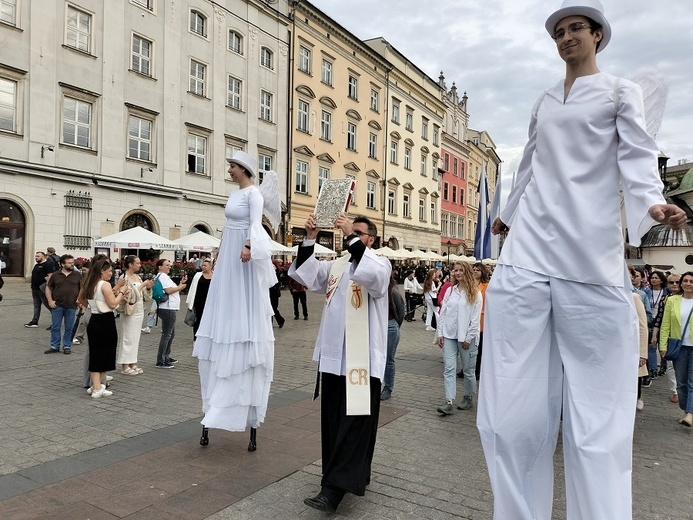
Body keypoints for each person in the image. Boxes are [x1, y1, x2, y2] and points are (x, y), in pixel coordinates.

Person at [476, 2, 688, 519]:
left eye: (576, 29)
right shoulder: (546, 99)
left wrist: (651, 204)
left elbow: (637, 156)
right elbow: (529, 163)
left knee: (598, 417)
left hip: (589, 257)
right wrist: (505, 215)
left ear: (598, 36)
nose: (566, 37)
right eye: (559, 32)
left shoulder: (619, 91)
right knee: (508, 412)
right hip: (528, 254)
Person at [289, 214, 390, 513]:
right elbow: (307, 274)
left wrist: (349, 236)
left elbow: (374, 280)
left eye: (359, 233)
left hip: (362, 361)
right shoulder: (337, 265)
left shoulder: (380, 262)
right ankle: (356, 473)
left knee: (355, 425)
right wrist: (310, 237)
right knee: (336, 423)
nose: (352, 237)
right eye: (351, 232)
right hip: (335, 360)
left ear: (370, 239)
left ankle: (332, 491)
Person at [193, 151, 276, 452]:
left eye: (232, 166)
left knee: (243, 298)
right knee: (224, 299)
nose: (228, 170)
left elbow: (257, 223)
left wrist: (249, 245)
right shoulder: (236, 192)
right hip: (228, 248)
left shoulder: (253, 194)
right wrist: (222, 252)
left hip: (241, 249)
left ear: (243, 169)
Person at [78, 259, 129, 399]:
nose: (111, 274)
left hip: (94, 318)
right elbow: (112, 304)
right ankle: (97, 387)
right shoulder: (104, 284)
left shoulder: (90, 283)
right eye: (109, 271)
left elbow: (81, 300)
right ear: (102, 271)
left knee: (97, 353)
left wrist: (91, 306)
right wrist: (121, 293)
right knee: (104, 353)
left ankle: (97, 385)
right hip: (105, 320)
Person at [436, 262, 482, 414]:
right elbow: (443, 314)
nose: (457, 273)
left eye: (461, 270)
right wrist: (440, 333)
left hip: (466, 337)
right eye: (455, 270)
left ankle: (468, 396)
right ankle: (449, 401)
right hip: (449, 335)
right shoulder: (450, 291)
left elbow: (475, 319)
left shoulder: (475, 292)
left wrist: (468, 338)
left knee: (468, 370)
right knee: (449, 368)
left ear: (466, 272)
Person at [659, 271, 693, 427]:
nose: (688, 284)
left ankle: (690, 414)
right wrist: (663, 345)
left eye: (691, 281)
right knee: (681, 383)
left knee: (692, 382)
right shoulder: (672, 300)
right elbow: (665, 325)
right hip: (678, 347)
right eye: (685, 281)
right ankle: (686, 410)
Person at [117, 256, 154, 375]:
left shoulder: (137, 277)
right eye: (137, 263)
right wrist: (143, 285)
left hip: (139, 309)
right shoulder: (124, 277)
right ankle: (125, 365)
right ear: (130, 264)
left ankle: (132, 362)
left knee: (135, 337)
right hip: (129, 309)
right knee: (127, 337)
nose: (140, 265)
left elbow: (144, 295)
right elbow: (126, 295)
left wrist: (148, 288)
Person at [653, 274, 682, 403]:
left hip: (686, 335)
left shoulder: (688, 298)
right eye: (671, 282)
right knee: (670, 365)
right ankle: (675, 391)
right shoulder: (665, 298)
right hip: (670, 337)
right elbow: (660, 319)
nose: (674, 285)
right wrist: (655, 335)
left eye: (677, 282)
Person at [45, 254, 81, 354]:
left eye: (73, 263)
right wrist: (50, 301)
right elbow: (48, 287)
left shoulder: (77, 275)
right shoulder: (56, 275)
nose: (72, 265)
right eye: (69, 263)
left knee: (69, 328)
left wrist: (80, 300)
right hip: (57, 305)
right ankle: (54, 346)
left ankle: (66, 346)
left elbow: (82, 289)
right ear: (62, 264)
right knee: (55, 327)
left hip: (72, 305)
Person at [154, 259, 187, 368]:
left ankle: (166, 356)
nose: (169, 267)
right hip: (167, 307)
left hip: (167, 307)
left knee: (170, 334)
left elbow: (170, 289)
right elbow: (168, 290)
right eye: (167, 265)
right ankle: (161, 360)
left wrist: (180, 284)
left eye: (169, 265)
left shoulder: (161, 277)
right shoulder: (162, 276)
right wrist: (180, 287)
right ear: (160, 267)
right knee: (167, 334)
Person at [381, 271, 405, 401]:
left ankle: (388, 388)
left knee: (389, 359)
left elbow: (401, 311)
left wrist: (395, 325)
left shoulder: (393, 291)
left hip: (390, 325)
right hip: (377, 326)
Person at [25, 252, 55, 328]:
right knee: (36, 305)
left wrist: (47, 284)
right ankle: (35, 321)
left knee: (48, 305)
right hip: (34, 288)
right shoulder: (37, 265)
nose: (36, 257)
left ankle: (55, 321)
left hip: (43, 289)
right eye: (36, 256)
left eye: (38, 256)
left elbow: (50, 276)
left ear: (43, 257)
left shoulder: (47, 265)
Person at [186, 257, 213, 338]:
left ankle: (207, 335)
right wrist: (190, 302)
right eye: (202, 265)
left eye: (205, 265)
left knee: (209, 320)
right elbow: (192, 287)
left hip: (210, 302)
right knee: (198, 319)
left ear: (210, 266)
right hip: (199, 301)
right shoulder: (198, 275)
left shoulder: (215, 275)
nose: (203, 267)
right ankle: (196, 337)